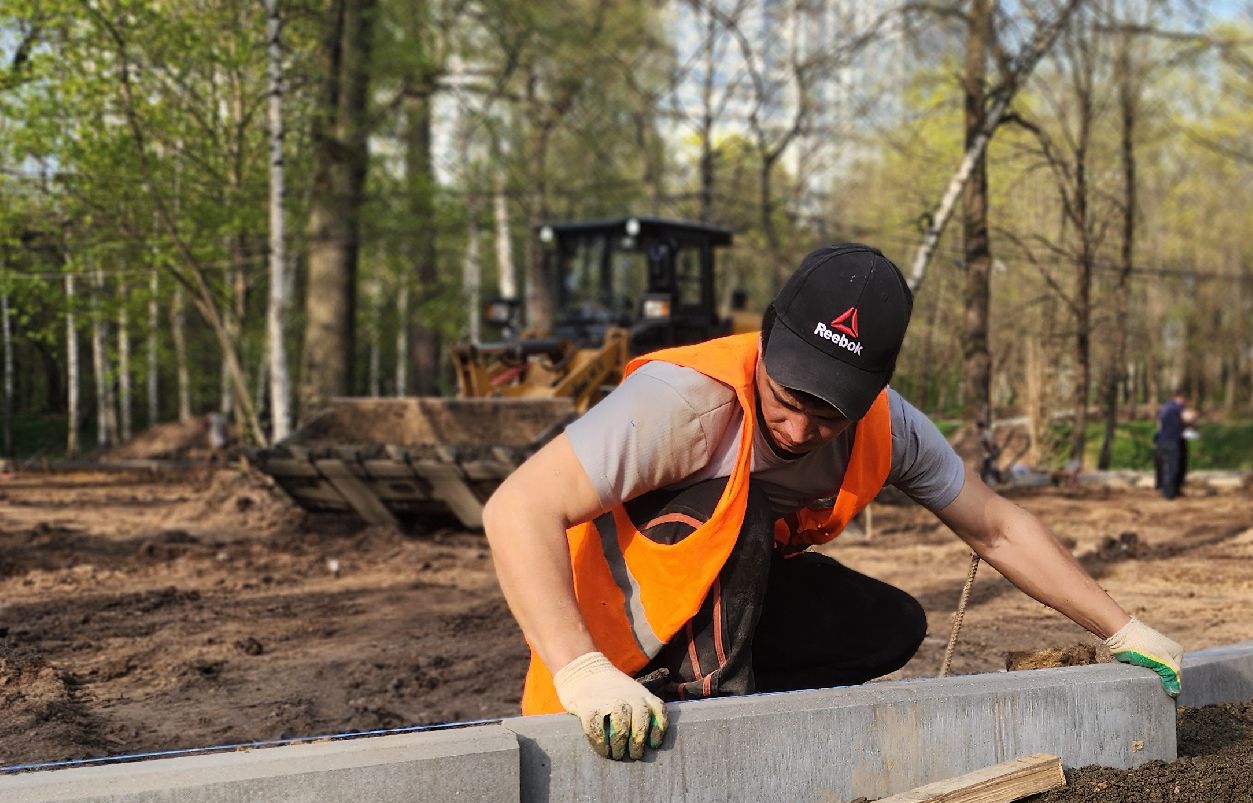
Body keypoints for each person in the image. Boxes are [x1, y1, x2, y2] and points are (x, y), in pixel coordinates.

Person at [484, 242, 1185, 761]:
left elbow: (997, 528)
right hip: (612, 648)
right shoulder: (678, 404)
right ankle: (703, 737)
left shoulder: (890, 424)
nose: (798, 430)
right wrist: (581, 671)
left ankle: (759, 728)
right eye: (787, 401)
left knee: (888, 626)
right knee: (744, 520)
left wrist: (1122, 630)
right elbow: (516, 509)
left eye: (828, 416)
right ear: (766, 339)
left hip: (725, 606)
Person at [1155, 392, 1190, 499]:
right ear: (1179, 398)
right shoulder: (1177, 407)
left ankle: (1166, 489)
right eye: (1183, 399)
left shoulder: (1163, 408)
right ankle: (1168, 493)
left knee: (1165, 467)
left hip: (1162, 440)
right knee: (1172, 467)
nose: (1184, 401)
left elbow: (1159, 423)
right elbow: (1188, 417)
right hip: (1173, 440)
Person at [976, 421, 1003, 486]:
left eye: (978, 428)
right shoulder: (982, 434)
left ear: (981, 428)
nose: (977, 430)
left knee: (992, 465)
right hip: (989, 451)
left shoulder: (986, 433)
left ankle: (998, 480)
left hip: (992, 451)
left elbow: (990, 442)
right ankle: (985, 480)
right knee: (986, 465)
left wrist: (990, 452)